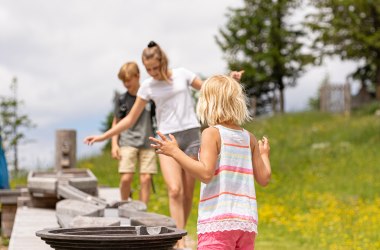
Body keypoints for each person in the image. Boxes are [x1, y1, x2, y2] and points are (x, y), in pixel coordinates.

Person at [84, 41, 243, 248]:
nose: (152, 72)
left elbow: (208, 88)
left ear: (163, 61)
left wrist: (229, 79)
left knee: (187, 192)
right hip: (166, 138)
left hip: (192, 135)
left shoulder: (182, 74)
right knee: (174, 190)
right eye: (148, 69)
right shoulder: (147, 86)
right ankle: (178, 239)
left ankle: (182, 233)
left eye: (155, 68)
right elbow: (129, 119)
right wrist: (104, 136)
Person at [150, 75, 272, 249]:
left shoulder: (212, 133)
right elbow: (264, 179)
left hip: (218, 221)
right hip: (246, 222)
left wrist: (175, 152)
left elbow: (206, 174)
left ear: (207, 103)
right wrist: (264, 155)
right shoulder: (249, 138)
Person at [111, 61, 157, 204]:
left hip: (147, 141)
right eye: (123, 81)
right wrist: (114, 144)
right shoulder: (122, 100)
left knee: (146, 178)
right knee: (126, 178)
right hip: (127, 142)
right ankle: (124, 204)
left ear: (138, 76)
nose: (126, 83)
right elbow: (116, 122)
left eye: (128, 80)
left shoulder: (150, 97)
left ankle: (142, 210)